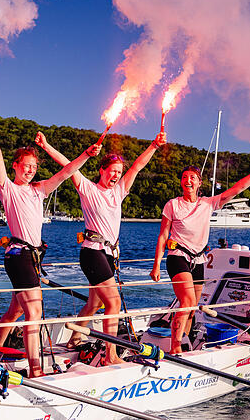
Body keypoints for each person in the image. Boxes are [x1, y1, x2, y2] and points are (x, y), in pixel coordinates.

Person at [0, 105, 101, 377]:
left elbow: (66, 173)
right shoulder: (8, 189)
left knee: (15, 311)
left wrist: (86, 155)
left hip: (32, 258)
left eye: (34, 167)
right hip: (18, 255)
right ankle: (35, 368)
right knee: (34, 312)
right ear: (16, 166)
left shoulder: (39, 190)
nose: (31, 171)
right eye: (26, 166)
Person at [37, 130, 166, 365]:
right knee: (113, 303)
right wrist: (46, 146)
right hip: (92, 252)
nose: (116, 175)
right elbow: (68, 165)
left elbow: (137, 167)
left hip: (109, 255)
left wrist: (154, 146)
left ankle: (74, 339)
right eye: (112, 171)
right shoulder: (88, 189)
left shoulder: (119, 192)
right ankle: (110, 355)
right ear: (102, 171)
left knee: (94, 303)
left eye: (119, 172)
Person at [151, 161, 250, 354]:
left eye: (192, 178)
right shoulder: (172, 205)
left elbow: (236, 190)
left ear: (199, 183)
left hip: (199, 260)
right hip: (178, 256)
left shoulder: (207, 204)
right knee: (186, 303)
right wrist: (156, 265)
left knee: (192, 308)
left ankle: (184, 342)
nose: (188, 181)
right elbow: (162, 236)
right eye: (184, 177)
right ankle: (175, 348)